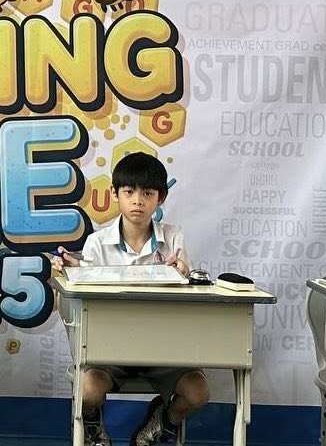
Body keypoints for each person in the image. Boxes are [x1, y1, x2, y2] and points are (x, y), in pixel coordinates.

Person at [54, 152, 207, 446]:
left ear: (160, 198)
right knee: (88, 391)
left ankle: (163, 420)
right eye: (129, 192)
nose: (138, 200)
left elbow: (186, 285)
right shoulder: (96, 242)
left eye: (147, 193)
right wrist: (71, 272)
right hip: (109, 349)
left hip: (163, 348)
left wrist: (183, 274)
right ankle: (92, 424)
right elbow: (84, 293)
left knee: (198, 392)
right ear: (115, 194)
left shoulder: (174, 238)